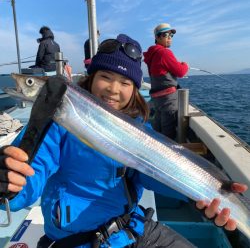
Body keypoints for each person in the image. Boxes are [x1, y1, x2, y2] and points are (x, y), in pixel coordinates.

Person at [0, 34, 247, 248]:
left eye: (125, 82)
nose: (113, 89)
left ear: (135, 90)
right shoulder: (54, 126)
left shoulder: (140, 130)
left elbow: (158, 174)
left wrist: (200, 198)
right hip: (78, 240)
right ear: (91, 78)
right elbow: (27, 180)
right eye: (105, 76)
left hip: (134, 228)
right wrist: (6, 185)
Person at [144, 23, 189, 140]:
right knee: (168, 136)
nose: (169, 37)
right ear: (157, 37)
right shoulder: (164, 53)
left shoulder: (152, 54)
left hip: (158, 100)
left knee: (158, 131)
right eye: (166, 35)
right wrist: (185, 65)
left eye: (171, 35)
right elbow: (180, 72)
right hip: (169, 101)